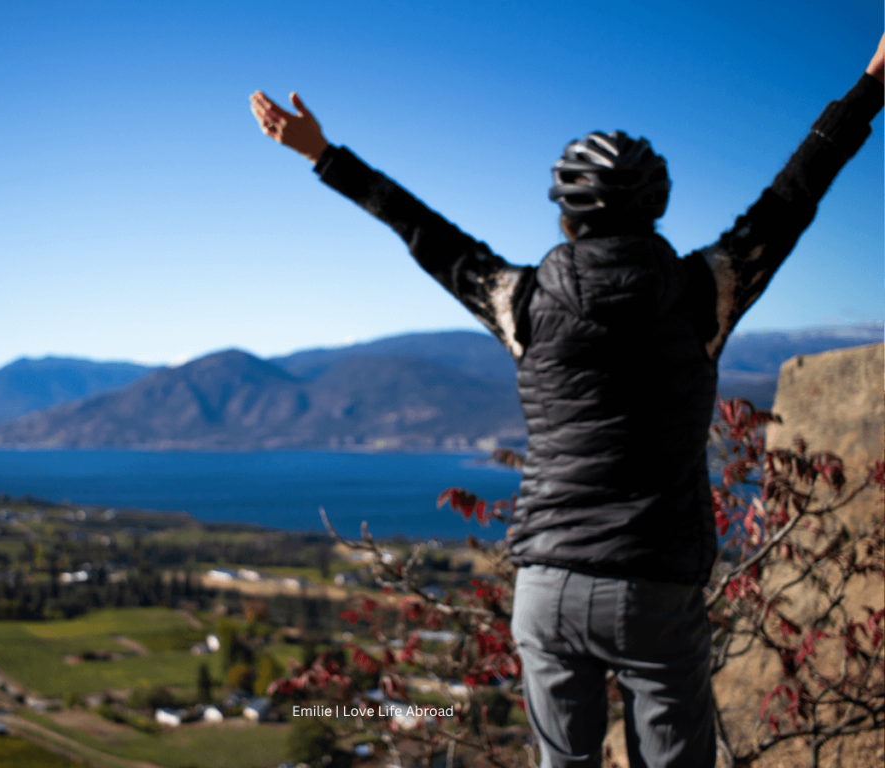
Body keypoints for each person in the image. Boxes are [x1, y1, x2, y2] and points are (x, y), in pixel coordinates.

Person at [249, 36, 885, 768]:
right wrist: (871, 84)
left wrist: (324, 155)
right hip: (658, 583)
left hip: (547, 584)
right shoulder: (707, 291)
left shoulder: (520, 301)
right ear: (655, 211)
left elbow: (424, 234)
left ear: (566, 217)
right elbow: (794, 196)